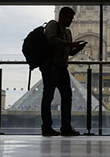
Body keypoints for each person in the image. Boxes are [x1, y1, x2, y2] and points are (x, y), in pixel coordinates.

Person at [40, 7, 87, 136]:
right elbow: (51, 40)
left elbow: (69, 52)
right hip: (51, 67)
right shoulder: (52, 25)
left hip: (62, 67)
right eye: (69, 18)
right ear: (61, 16)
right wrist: (71, 45)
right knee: (48, 97)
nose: (71, 21)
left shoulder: (68, 32)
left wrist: (78, 48)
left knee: (67, 97)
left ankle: (66, 127)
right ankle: (46, 127)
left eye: (72, 19)